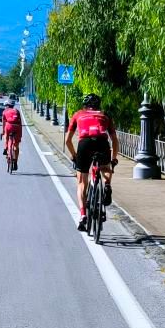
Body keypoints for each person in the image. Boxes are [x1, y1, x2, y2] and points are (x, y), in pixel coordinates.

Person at [63, 92, 118, 228]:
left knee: (82, 182)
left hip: (85, 144)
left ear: (85, 105)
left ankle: (83, 215)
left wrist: (74, 155)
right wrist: (114, 159)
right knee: (105, 168)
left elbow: (67, 140)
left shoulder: (78, 114)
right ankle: (107, 185)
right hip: (102, 143)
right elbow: (115, 140)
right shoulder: (105, 115)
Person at [0, 98, 24, 163]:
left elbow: (4, 123)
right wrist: (20, 134)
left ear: (7, 105)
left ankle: (6, 148)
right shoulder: (17, 111)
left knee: (6, 136)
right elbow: (20, 122)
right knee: (16, 145)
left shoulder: (5, 111)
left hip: (9, 126)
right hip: (17, 127)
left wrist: (3, 132)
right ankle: (15, 162)